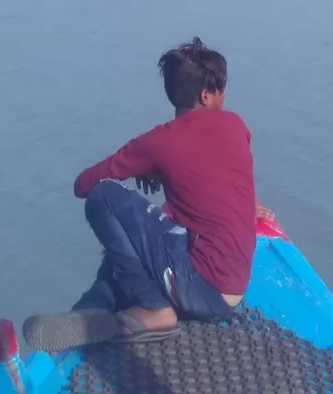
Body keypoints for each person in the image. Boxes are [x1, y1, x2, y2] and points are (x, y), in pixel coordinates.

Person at [24, 37, 269, 351]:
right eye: (222, 89)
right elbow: (222, 174)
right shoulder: (235, 125)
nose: (224, 96)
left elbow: (84, 185)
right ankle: (93, 310)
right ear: (206, 96)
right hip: (231, 286)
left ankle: (151, 308)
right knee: (132, 240)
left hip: (202, 288)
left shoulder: (159, 142)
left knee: (104, 197)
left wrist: (145, 166)